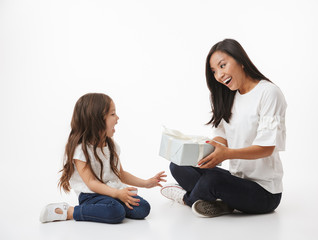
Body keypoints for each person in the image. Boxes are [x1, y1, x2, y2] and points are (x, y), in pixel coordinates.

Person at [160, 39, 287, 217]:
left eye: (222, 65)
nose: (219, 75)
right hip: (236, 180)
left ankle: (187, 198)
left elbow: (267, 147)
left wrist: (227, 153)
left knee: (213, 181)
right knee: (178, 165)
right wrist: (200, 151)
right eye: (214, 71)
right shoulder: (228, 97)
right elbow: (221, 137)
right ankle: (221, 202)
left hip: (264, 192)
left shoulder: (268, 93)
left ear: (241, 61)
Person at [40, 93, 166, 224]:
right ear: (96, 120)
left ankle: (110, 206)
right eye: (112, 114)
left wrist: (146, 183)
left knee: (143, 209)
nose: (117, 118)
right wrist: (117, 194)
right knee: (115, 212)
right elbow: (91, 183)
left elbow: (120, 174)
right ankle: (70, 212)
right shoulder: (81, 151)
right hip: (91, 195)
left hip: (113, 190)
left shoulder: (112, 146)